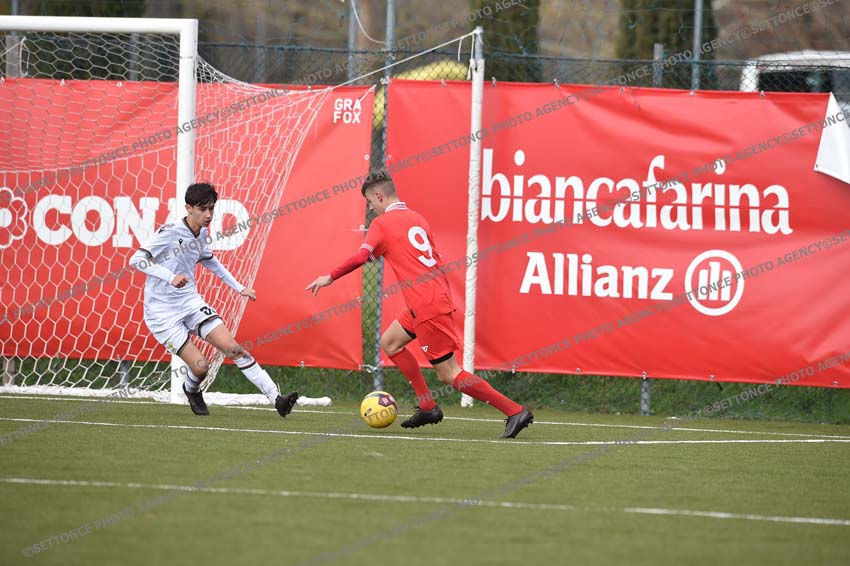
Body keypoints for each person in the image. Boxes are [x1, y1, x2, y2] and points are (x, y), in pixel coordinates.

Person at [306, 171, 533, 438]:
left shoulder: (382, 223)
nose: (371, 207)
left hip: (426, 305)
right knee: (391, 343)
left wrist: (330, 277)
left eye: (370, 201)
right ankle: (427, 406)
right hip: (429, 300)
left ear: (379, 196)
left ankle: (514, 411)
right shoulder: (417, 219)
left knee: (449, 374)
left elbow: (362, 256)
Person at [129, 182, 298, 417]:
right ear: (189, 208)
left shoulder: (202, 232)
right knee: (201, 367)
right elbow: (136, 260)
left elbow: (210, 261)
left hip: (189, 302)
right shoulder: (170, 232)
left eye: (211, 209)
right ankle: (191, 390)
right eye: (202, 209)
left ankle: (276, 399)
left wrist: (239, 287)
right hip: (161, 312)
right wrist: (170, 277)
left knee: (234, 348)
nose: (208, 215)